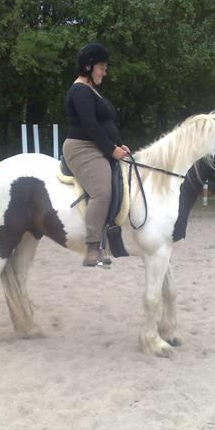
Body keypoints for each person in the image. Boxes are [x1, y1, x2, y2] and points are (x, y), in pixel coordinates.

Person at [62, 43, 130, 267]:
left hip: (97, 145)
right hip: (82, 148)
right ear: (88, 67)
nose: (104, 72)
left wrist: (120, 144)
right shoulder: (79, 90)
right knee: (102, 191)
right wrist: (112, 150)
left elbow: (106, 123)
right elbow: (91, 126)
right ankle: (92, 247)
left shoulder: (92, 91)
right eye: (101, 67)